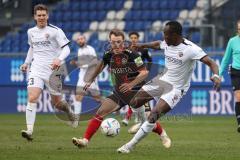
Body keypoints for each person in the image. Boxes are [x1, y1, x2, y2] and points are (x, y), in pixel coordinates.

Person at [117, 21, 221, 153]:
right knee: (134, 102)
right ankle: (145, 123)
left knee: (154, 114)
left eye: (166, 35)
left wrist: (216, 76)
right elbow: (157, 44)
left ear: (176, 35)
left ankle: (129, 146)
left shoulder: (190, 49)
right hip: (162, 80)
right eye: (164, 35)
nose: (164, 38)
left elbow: (211, 63)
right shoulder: (167, 42)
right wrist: (142, 45)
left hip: (176, 88)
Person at [72, 29, 171, 149]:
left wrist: (131, 84)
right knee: (99, 113)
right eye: (113, 42)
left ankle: (163, 134)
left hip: (137, 94)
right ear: (110, 42)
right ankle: (85, 140)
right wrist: (91, 79)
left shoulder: (133, 54)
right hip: (119, 94)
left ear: (123, 41)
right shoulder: (108, 54)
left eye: (119, 42)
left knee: (148, 121)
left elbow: (144, 73)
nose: (116, 45)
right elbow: (100, 65)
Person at [19, 4, 73, 141]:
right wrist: (26, 62)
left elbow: (67, 49)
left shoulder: (55, 31)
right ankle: (29, 130)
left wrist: (59, 59)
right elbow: (32, 48)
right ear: (35, 17)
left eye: (44, 15)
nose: (41, 17)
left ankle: (68, 109)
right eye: (39, 15)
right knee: (32, 97)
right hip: (36, 69)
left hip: (53, 71)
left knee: (57, 104)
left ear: (47, 16)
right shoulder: (31, 32)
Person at [122, 31, 152, 132]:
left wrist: (147, 70)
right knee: (133, 99)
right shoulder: (127, 51)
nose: (133, 39)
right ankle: (137, 119)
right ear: (130, 39)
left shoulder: (143, 50)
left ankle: (136, 119)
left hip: (140, 78)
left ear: (138, 39)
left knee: (140, 98)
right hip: (130, 78)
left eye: (135, 38)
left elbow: (149, 59)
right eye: (132, 38)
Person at [70, 34, 102, 128]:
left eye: (81, 39)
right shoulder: (80, 51)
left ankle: (112, 107)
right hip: (82, 77)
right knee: (78, 97)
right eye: (78, 39)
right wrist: (76, 64)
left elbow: (94, 62)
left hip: (90, 76)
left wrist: (78, 63)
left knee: (97, 98)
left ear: (85, 40)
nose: (80, 41)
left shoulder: (90, 49)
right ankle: (76, 120)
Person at [219, 20, 240, 132]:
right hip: (236, 72)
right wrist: (219, 75)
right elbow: (226, 59)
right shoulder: (232, 41)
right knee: (239, 97)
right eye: (239, 29)